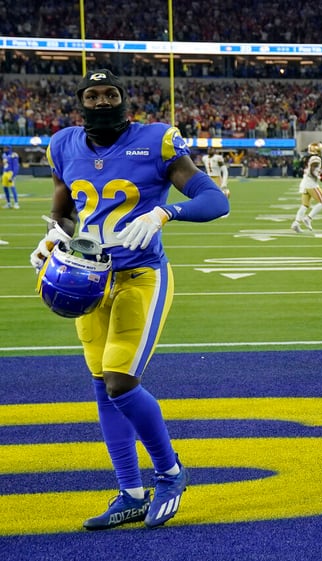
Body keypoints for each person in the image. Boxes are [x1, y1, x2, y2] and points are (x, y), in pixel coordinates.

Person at [28, 69, 230, 529]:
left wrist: (165, 211)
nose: (102, 102)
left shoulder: (156, 140)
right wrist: (51, 240)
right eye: (93, 95)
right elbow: (65, 215)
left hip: (141, 277)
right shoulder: (62, 144)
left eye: (111, 94)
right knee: (102, 386)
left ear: (125, 99)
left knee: (121, 382)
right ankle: (130, 492)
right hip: (91, 279)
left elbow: (215, 200)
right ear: (80, 101)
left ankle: (170, 473)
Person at [291, 141, 322, 233]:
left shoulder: (308, 158)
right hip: (311, 183)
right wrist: (319, 177)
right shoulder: (316, 158)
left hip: (305, 182)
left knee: (305, 205)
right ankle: (308, 218)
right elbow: (312, 171)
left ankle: (296, 223)